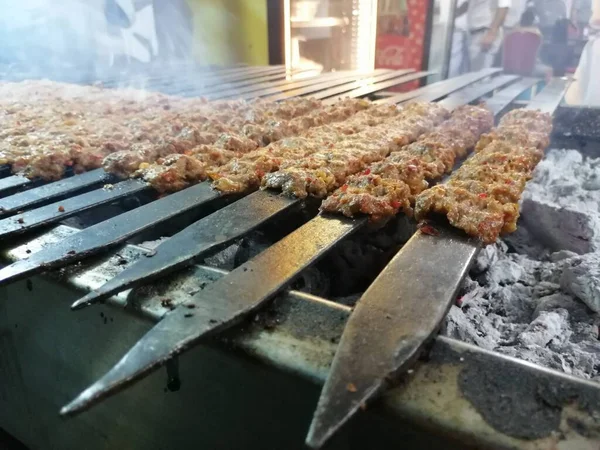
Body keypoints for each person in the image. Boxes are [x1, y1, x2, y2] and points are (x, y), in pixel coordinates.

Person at [467, 0, 513, 71]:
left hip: (485, 32)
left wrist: (491, 33)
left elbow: (504, 6)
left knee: (480, 77)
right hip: (473, 32)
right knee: (472, 74)